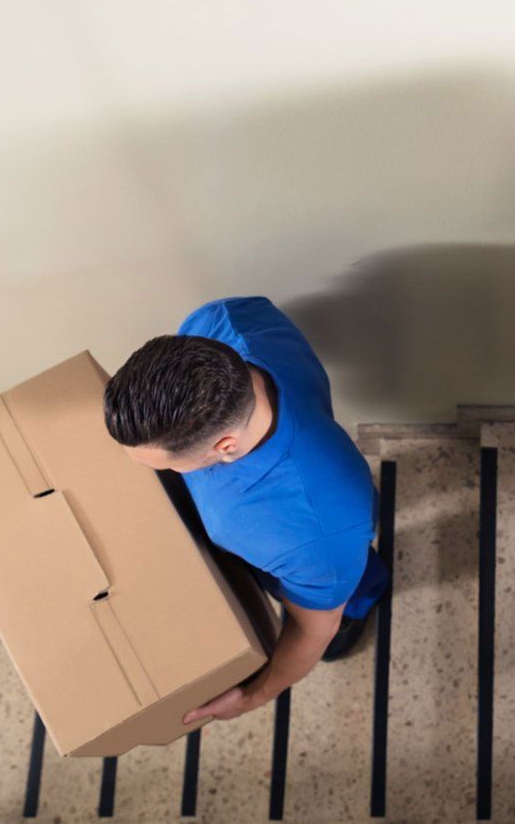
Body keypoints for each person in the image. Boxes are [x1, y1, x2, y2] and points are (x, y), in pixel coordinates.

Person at [103, 296, 387, 725]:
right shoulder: (220, 321)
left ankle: (364, 601)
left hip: (326, 547)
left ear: (225, 448)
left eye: (165, 465)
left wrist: (256, 695)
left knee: (350, 587)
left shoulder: (312, 532)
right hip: (312, 506)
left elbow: (315, 627)